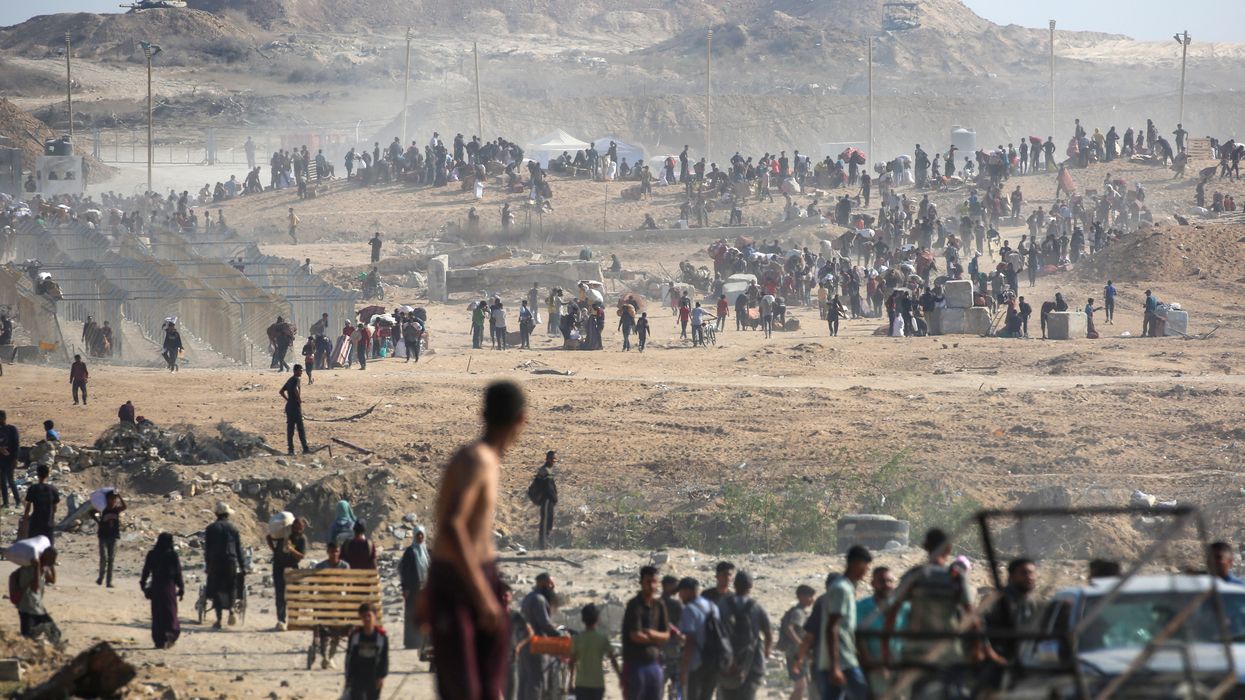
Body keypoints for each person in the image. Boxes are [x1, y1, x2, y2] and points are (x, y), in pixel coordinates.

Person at [426, 381, 526, 700]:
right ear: (521, 419)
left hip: (475, 575)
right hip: (462, 581)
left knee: (488, 688)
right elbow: (452, 524)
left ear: (483, 414)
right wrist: (482, 595)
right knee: (465, 690)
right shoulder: (477, 460)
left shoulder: (485, 459)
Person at [884, 528, 975, 695]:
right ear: (949, 548)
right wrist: (980, 648)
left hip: (916, 652)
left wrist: (886, 650)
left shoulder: (915, 575)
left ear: (925, 546)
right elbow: (972, 616)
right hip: (947, 652)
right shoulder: (955, 576)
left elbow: (892, 611)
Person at [816, 546, 872, 700]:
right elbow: (832, 627)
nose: (866, 571)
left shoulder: (846, 588)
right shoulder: (841, 589)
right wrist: (835, 666)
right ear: (856, 564)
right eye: (866, 566)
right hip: (843, 662)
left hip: (842, 660)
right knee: (865, 694)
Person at [982, 559, 1039, 691]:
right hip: (999, 663)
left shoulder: (1030, 601)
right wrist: (992, 654)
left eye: (1031, 573)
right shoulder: (998, 600)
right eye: (1024, 573)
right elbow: (978, 626)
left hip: (1022, 662)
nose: (1029, 577)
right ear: (1011, 577)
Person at [718, 570, 772, 700]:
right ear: (751, 586)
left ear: (734, 585)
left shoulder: (723, 604)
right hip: (752, 664)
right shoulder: (756, 607)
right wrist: (766, 651)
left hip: (726, 663)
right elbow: (768, 634)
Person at [621, 565, 671, 700]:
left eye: (654, 582)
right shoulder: (634, 605)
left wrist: (651, 634)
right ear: (641, 582)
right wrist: (656, 638)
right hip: (635, 665)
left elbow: (666, 635)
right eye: (648, 582)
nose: (652, 585)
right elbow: (635, 636)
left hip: (654, 664)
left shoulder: (659, 605)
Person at [203, 501, 245, 630]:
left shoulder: (210, 528)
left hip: (215, 561)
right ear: (228, 514)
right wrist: (243, 566)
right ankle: (231, 609)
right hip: (230, 560)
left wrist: (208, 565)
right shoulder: (233, 528)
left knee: (216, 588)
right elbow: (238, 549)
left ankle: (219, 619)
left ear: (216, 514)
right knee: (232, 586)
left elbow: (207, 549)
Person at [309, 541, 351, 670]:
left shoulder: (344, 566)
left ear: (339, 552)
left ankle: (329, 657)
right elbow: (312, 585)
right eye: (332, 551)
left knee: (337, 632)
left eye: (336, 551)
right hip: (324, 602)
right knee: (324, 632)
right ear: (328, 552)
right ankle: (326, 658)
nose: (334, 554)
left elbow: (349, 586)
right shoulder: (320, 566)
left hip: (338, 603)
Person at [519, 573, 561, 700]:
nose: (553, 586)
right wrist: (559, 634)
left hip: (526, 644)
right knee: (537, 681)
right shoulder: (539, 599)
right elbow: (545, 624)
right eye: (550, 583)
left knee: (526, 680)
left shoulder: (529, 597)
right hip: (536, 645)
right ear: (542, 583)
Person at [140, 533, 185, 649]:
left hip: (156, 587)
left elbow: (146, 570)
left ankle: (159, 640)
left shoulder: (152, 554)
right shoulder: (172, 555)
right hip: (169, 588)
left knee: (158, 614)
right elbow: (178, 573)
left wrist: (143, 584)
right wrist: (181, 587)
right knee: (170, 613)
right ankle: (171, 634)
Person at [569, 603, 620, 700]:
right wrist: (620, 676)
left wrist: (570, 682)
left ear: (583, 619)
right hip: (597, 683)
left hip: (581, 683)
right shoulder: (602, 638)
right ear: (597, 619)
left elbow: (571, 662)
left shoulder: (578, 639)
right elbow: (612, 659)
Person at [677, 577, 718, 700]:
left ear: (688, 591)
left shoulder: (689, 610)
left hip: (696, 664)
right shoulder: (712, 606)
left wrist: (684, 669)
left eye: (681, 592)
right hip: (714, 662)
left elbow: (690, 641)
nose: (680, 596)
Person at [267, 516, 307, 631]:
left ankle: (294, 620)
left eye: (300, 528)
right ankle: (281, 620)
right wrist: (274, 550)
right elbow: (269, 537)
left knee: (295, 594)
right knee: (280, 595)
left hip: (292, 568)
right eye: (296, 528)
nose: (298, 530)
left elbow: (301, 556)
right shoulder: (283, 534)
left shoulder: (302, 539)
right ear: (292, 526)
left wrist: (291, 549)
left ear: (303, 528)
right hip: (278, 567)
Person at [344, 603, 389, 700]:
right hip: (357, 677)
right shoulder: (355, 636)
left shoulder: (381, 637)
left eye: (369, 616)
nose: (367, 619)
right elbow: (349, 657)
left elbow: (384, 658)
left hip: (373, 677)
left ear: (375, 616)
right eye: (364, 616)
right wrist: (348, 678)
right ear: (361, 617)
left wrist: (381, 677)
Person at [779, 585, 816, 700]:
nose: (812, 599)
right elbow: (789, 629)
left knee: (800, 686)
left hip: (796, 654)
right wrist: (800, 644)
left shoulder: (799, 611)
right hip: (795, 655)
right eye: (810, 596)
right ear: (801, 597)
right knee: (801, 686)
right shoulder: (798, 613)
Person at [14, 546, 59, 642]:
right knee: (28, 636)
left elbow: (52, 580)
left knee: (53, 632)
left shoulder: (44, 567)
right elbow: (35, 587)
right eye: (51, 558)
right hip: (27, 606)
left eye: (54, 559)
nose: (53, 561)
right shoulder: (31, 568)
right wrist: (37, 567)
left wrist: (51, 566)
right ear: (44, 556)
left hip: (36, 605)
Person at [398, 525, 430, 655]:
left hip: (425, 589)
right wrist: (405, 588)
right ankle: (411, 642)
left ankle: (424, 641)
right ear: (415, 536)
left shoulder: (427, 551)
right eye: (418, 535)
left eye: (422, 535)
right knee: (411, 614)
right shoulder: (410, 552)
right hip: (412, 589)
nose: (420, 537)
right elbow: (404, 571)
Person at [93, 490, 126, 587]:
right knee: (104, 558)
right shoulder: (103, 509)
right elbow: (91, 512)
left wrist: (120, 496)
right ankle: (101, 577)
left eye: (114, 499)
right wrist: (98, 522)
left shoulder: (116, 510)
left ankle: (108, 582)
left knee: (111, 560)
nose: (113, 500)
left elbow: (125, 507)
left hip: (114, 536)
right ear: (107, 499)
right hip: (103, 536)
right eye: (112, 498)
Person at [24, 463, 60, 543]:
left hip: (35, 521)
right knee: (48, 546)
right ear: (48, 475)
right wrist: (51, 518)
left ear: (37, 475)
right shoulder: (53, 489)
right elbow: (54, 508)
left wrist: (25, 518)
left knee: (32, 544)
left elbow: (28, 507)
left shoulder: (33, 488)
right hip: (47, 522)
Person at [529, 451, 558, 549]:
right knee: (545, 522)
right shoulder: (544, 470)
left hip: (550, 500)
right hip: (546, 500)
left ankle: (545, 543)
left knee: (549, 521)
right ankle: (542, 544)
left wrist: (554, 497)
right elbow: (541, 485)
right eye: (551, 459)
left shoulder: (549, 470)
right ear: (547, 459)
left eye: (554, 459)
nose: (553, 461)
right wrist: (549, 496)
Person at [280, 365, 310, 455]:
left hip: (289, 407)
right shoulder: (297, 379)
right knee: (300, 429)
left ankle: (291, 450)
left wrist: (288, 399)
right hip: (295, 407)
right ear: (296, 371)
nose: (301, 372)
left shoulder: (290, 380)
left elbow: (281, 391)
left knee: (290, 430)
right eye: (300, 370)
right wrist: (299, 399)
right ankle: (305, 449)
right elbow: (295, 389)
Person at [0, 410, 21, 508]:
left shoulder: (12, 429)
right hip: (1, 460)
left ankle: (18, 502)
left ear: (4, 418)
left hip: (10, 459)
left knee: (11, 480)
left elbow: (16, 445)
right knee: (2, 482)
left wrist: (15, 458)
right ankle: (6, 503)